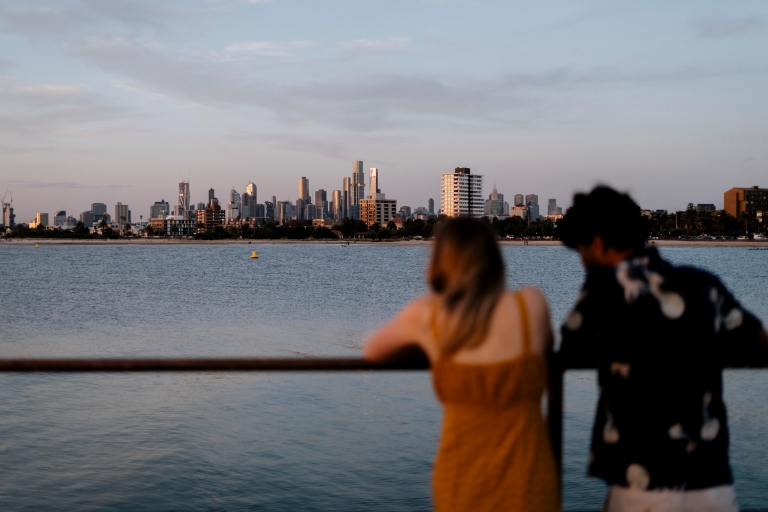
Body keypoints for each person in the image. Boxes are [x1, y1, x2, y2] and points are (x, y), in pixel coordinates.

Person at [558, 186, 768, 512]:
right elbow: (756, 338)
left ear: (597, 244)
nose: (584, 264)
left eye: (582, 253)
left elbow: (572, 348)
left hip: (642, 482)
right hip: (712, 483)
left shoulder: (606, 285)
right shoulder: (704, 284)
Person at [364, 217, 560, 512]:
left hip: (461, 483)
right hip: (530, 483)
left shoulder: (428, 317)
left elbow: (373, 351)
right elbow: (546, 345)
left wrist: (426, 347)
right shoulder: (530, 305)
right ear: (494, 259)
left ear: (440, 263)